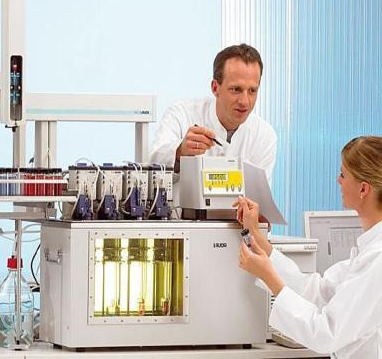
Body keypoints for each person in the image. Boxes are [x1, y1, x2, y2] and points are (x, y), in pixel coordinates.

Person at [236, 136, 382, 358]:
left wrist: (268, 276)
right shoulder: (369, 250)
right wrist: (257, 236)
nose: (338, 180)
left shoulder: (377, 258)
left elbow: (326, 334)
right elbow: (318, 291)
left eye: (343, 174)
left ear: (363, 189)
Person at [149, 44, 277, 184]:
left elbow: (259, 195)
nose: (244, 101)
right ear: (215, 88)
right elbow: (151, 168)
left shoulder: (264, 136)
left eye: (252, 91)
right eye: (236, 89)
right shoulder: (181, 115)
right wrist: (179, 152)